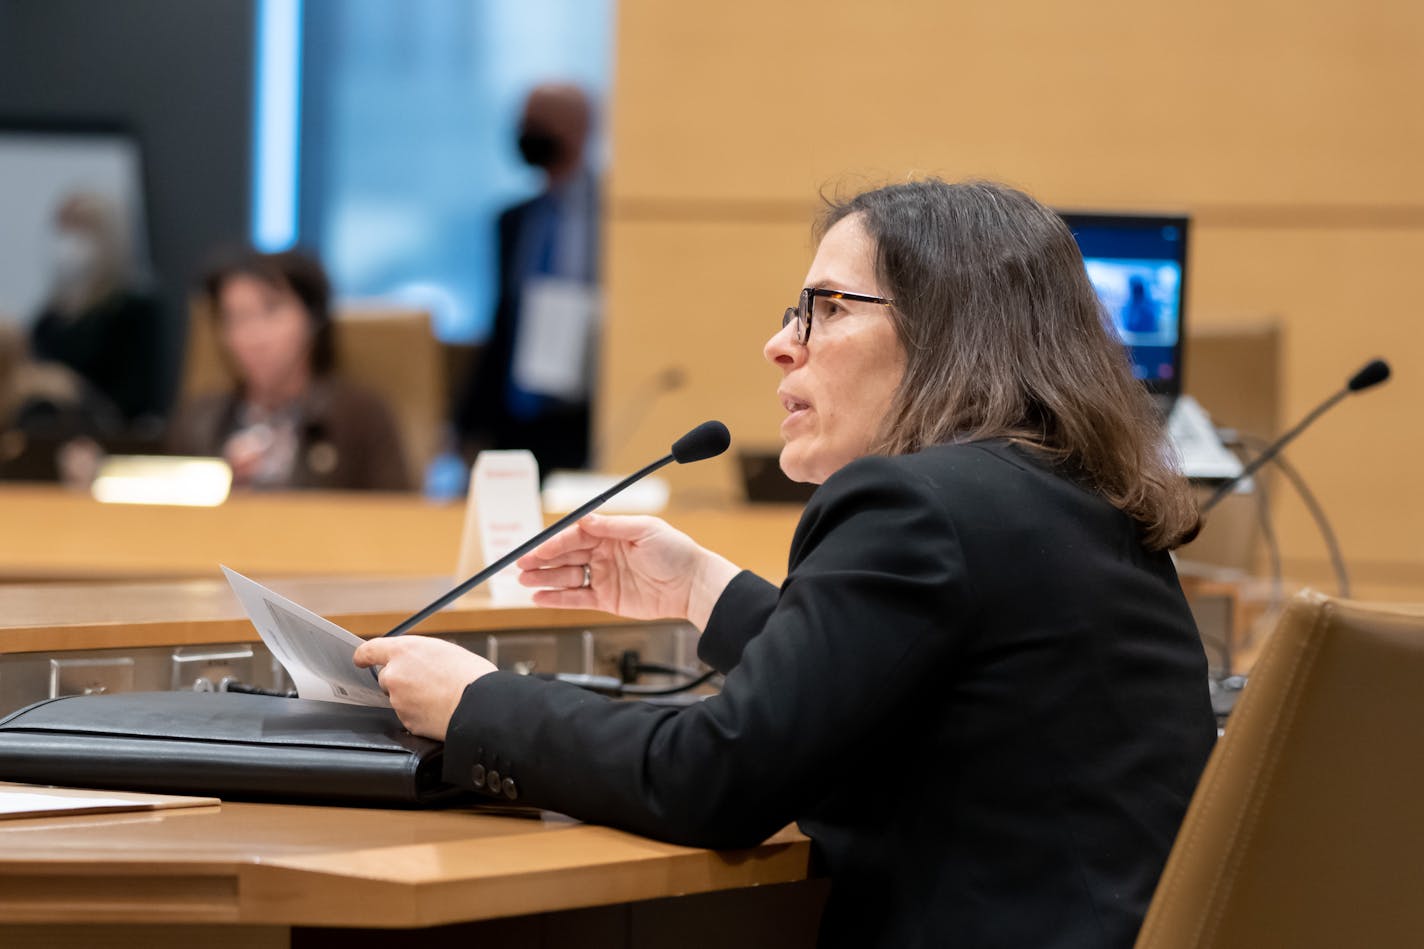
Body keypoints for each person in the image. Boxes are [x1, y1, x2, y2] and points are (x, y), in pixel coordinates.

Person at [356, 180, 1217, 947]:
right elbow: (915, 686)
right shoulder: (1070, 498)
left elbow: (716, 777)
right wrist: (704, 591)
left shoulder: (914, 504)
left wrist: (478, 702)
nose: (780, 343)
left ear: (949, 331)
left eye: (827, 308)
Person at [167, 249, 412, 492]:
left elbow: (397, 517)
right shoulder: (200, 422)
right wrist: (221, 486)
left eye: (271, 311)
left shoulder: (360, 417)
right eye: (237, 318)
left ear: (313, 319)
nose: (254, 336)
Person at [453, 82, 600, 475]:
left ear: (578, 128)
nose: (524, 134)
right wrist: (469, 422)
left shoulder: (609, 216)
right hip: (518, 411)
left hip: (583, 409)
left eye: (536, 123)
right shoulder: (514, 220)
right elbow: (503, 321)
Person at [29, 191, 166, 426]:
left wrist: (74, 389)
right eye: (63, 230)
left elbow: (138, 395)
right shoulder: (49, 317)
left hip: (111, 435)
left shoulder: (131, 309)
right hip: (47, 433)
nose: (68, 242)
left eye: (80, 230)